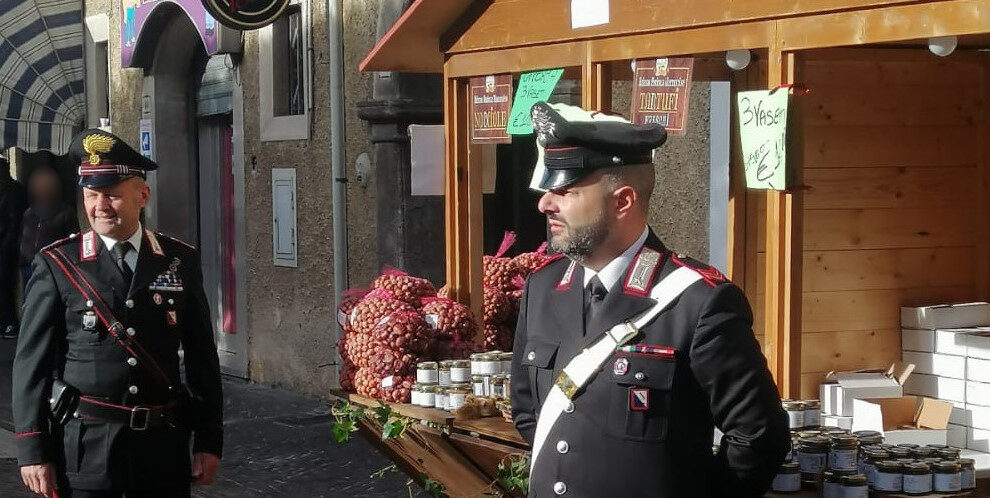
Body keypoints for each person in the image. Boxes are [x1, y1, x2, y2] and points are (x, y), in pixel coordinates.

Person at [511, 102, 790, 498]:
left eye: (565, 191)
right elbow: (529, 413)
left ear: (622, 201)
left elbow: (759, 436)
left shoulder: (698, 301)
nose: (545, 203)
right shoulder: (543, 287)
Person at [13, 129, 223, 498]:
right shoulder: (60, 263)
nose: (100, 206)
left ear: (143, 195)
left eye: (111, 195)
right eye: (91, 196)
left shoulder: (178, 261)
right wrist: (33, 451)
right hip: (87, 452)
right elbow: (32, 365)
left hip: (162, 451)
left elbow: (202, 357)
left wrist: (208, 439)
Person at [15, 167, 79, 321]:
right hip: (28, 266)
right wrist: (21, 257)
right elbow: (22, 236)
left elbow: (73, 242)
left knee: (48, 303)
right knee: (29, 301)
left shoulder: (66, 213)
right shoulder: (29, 213)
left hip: (52, 268)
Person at [0, 157, 28, 338]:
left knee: (5, 284)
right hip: (6, 242)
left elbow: (14, 222)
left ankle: (9, 322)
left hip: (9, 246)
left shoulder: (14, 190)